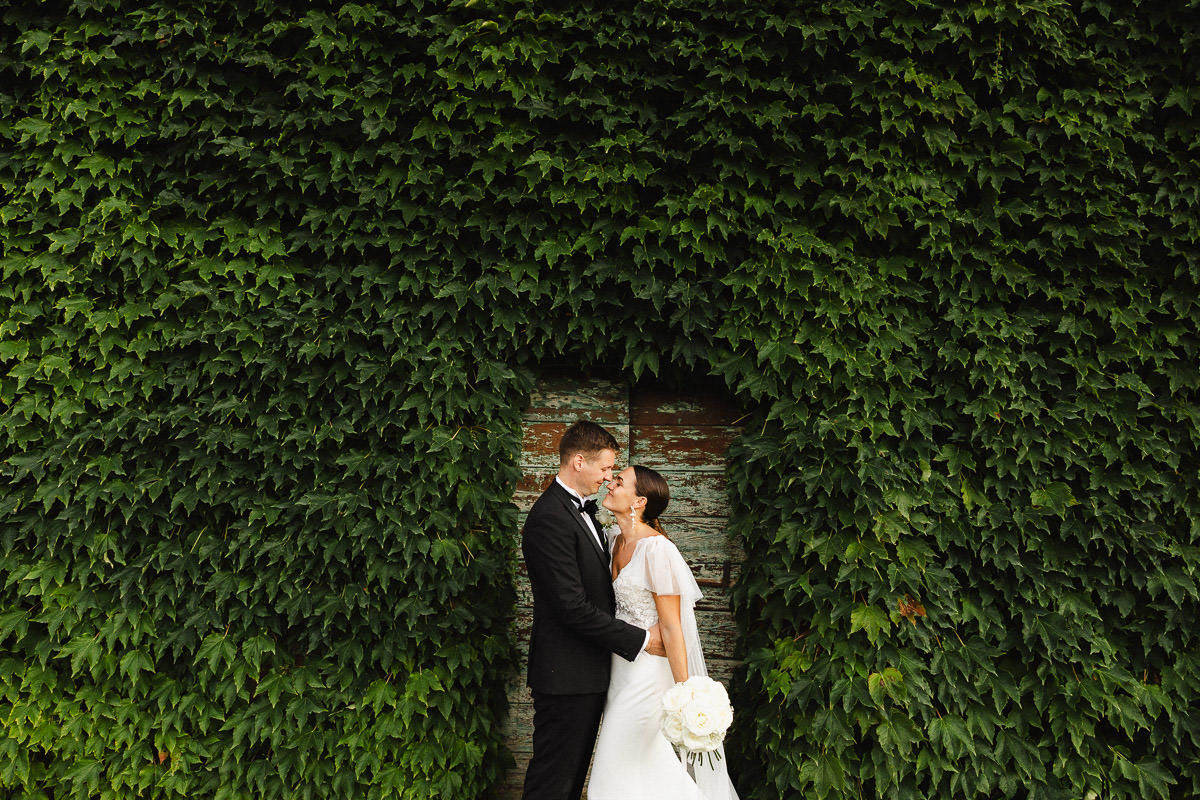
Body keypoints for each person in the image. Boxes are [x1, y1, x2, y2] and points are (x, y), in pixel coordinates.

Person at [520, 421, 665, 800]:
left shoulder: (584, 515)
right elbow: (572, 607)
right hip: (566, 675)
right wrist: (643, 640)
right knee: (553, 782)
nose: (607, 477)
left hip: (588, 673)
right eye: (604, 469)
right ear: (579, 461)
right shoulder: (550, 517)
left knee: (570, 780)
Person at [587, 465, 740, 800]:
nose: (610, 484)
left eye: (619, 481)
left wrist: (686, 694)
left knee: (610, 773)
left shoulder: (658, 550)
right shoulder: (613, 540)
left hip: (648, 677)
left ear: (639, 501)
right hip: (618, 672)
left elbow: (672, 626)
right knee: (649, 768)